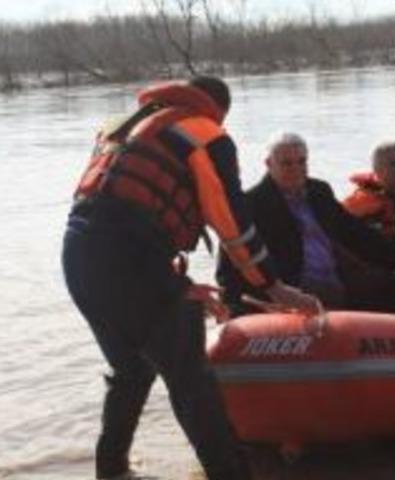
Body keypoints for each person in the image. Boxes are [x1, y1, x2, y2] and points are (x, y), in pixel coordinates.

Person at [62, 77, 319, 480]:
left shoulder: (123, 126)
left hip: (78, 257)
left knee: (131, 371)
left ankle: (111, 471)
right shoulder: (207, 135)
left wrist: (177, 285)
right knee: (193, 381)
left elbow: (118, 211)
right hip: (132, 261)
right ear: (218, 110)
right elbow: (232, 223)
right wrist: (273, 285)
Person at [217, 132, 395, 315]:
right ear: (269, 164)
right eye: (287, 164)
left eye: (302, 161)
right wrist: (234, 308)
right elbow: (230, 264)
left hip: (337, 281)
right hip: (293, 291)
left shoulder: (319, 191)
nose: (296, 169)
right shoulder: (251, 204)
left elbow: (352, 230)